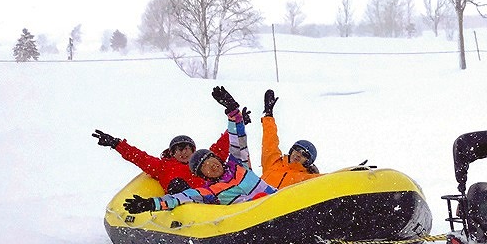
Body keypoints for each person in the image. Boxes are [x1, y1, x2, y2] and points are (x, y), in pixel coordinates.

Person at [123, 87, 276, 214]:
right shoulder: (209, 191)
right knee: (178, 186)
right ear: (203, 175)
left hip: (277, 203)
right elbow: (180, 198)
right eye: (205, 166)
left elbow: (237, 139)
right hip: (254, 217)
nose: (212, 165)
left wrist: (233, 112)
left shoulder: (238, 165)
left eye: (212, 160)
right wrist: (151, 204)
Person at [92, 126, 231, 194]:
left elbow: (222, 147)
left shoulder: (203, 160)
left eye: (187, 149)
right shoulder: (163, 167)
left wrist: (236, 123)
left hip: (210, 198)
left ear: (193, 150)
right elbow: (139, 157)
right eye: (178, 150)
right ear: (172, 153)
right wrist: (116, 144)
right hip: (185, 204)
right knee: (177, 184)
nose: (183, 153)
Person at [259, 89, 322, 189]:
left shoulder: (306, 178)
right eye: (297, 150)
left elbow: (333, 179)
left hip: (276, 204)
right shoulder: (273, 162)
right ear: (292, 150)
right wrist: (268, 115)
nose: (298, 154)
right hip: (252, 202)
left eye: (304, 154)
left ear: (308, 162)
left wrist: (352, 171)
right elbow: (270, 139)